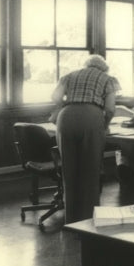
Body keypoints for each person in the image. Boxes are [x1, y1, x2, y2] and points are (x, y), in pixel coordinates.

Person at [49, 54, 120, 224]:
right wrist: (105, 125)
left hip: (66, 118)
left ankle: (71, 220)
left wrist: (66, 104)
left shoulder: (70, 75)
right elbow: (110, 108)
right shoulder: (107, 79)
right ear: (103, 67)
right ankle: (88, 221)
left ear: (86, 65)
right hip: (91, 117)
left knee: (69, 170)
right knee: (91, 171)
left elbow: (55, 96)